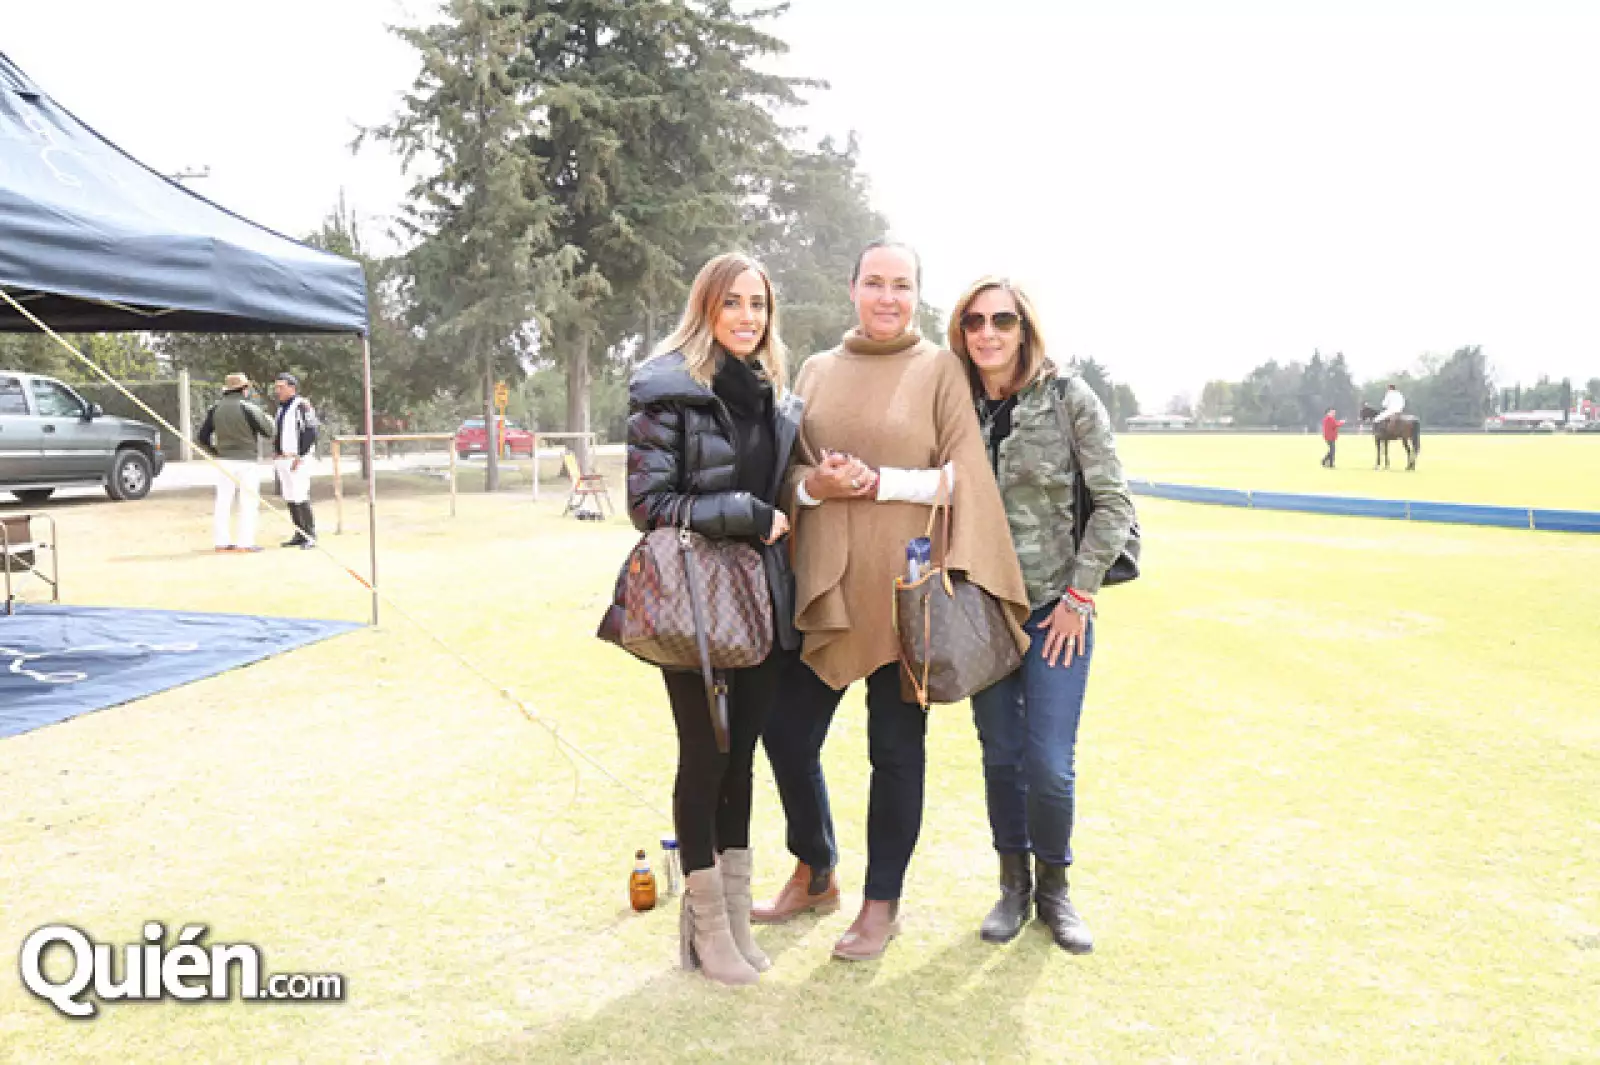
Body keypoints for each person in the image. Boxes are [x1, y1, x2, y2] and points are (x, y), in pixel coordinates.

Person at [753, 241, 1030, 962]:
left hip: (907, 595)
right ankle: (816, 868)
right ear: (851, 288)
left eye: (901, 285)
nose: (887, 297)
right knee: (785, 731)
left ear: (917, 296)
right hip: (829, 588)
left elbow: (960, 480)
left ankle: (883, 902)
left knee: (896, 751)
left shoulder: (939, 370)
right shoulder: (814, 370)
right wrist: (821, 485)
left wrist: (880, 483)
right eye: (874, 282)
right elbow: (792, 477)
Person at [619, 251, 801, 986]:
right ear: (706, 308)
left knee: (742, 756)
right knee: (705, 755)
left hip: (762, 599)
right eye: (733, 303)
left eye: (758, 304)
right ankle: (703, 931)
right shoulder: (668, 390)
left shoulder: (773, 395)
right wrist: (751, 516)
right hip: (694, 597)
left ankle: (731, 917)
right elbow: (648, 504)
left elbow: (788, 484)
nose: (748, 317)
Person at [948, 276, 1135, 954]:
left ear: (1024, 327)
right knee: (1001, 755)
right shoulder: (954, 403)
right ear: (962, 331)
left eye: (1002, 319)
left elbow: (1115, 505)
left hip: (1058, 608)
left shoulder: (1067, 399)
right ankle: (1013, 885)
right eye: (975, 321)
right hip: (983, 610)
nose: (988, 332)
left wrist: (1081, 595)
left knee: (1049, 760)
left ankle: (1055, 887)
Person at [196, 373, 275, 553]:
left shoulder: (215, 408)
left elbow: (202, 437)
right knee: (248, 502)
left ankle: (221, 542)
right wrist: (268, 417)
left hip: (224, 461)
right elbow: (269, 431)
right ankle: (244, 543)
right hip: (246, 461)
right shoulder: (248, 407)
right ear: (244, 389)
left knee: (223, 502)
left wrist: (214, 451)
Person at [272, 373, 319, 549]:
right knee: (290, 496)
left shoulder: (301, 405)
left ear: (292, 388)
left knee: (300, 494)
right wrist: (277, 451)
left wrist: (301, 455)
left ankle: (310, 534)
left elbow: (311, 431)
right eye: (276, 387)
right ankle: (299, 533)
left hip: (298, 458)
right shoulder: (281, 408)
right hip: (284, 458)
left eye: (281, 387)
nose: (278, 391)